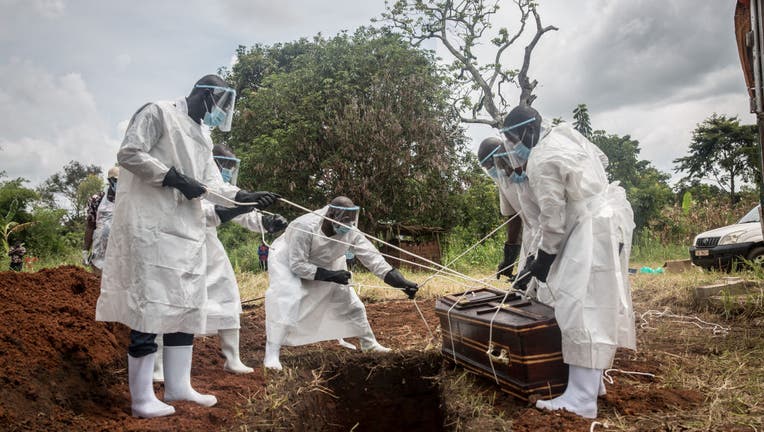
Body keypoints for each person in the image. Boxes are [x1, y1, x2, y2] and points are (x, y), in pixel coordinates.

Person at [95, 74, 280, 419]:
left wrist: (246, 197)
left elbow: (212, 183)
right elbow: (129, 153)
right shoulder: (158, 112)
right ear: (205, 94)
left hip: (187, 233)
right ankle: (142, 398)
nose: (221, 113)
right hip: (152, 230)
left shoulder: (202, 136)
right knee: (149, 308)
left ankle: (179, 385)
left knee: (185, 308)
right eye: (220, 104)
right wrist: (174, 178)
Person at [501, 104, 635, 419]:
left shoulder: (542, 158)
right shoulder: (563, 138)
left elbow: (553, 219)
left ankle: (581, 398)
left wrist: (543, 260)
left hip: (586, 232)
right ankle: (592, 384)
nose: (513, 146)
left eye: (514, 138)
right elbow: (597, 165)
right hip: (600, 225)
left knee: (578, 309)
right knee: (596, 304)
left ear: (529, 130)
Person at [152, 144, 289, 381]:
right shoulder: (192, 180)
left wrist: (266, 222)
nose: (227, 170)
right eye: (224, 165)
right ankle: (157, 366)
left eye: (230, 166)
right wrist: (237, 206)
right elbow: (208, 214)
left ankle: (232, 358)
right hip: (179, 245)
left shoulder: (223, 187)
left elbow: (242, 210)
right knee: (172, 304)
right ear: (211, 162)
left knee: (227, 293)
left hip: (209, 246)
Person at [263, 196, 419, 370]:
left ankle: (368, 343)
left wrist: (402, 283)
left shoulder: (350, 231)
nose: (348, 225)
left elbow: (373, 258)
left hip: (328, 263)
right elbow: (298, 265)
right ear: (330, 215)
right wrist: (331, 276)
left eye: (351, 221)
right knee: (288, 300)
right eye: (344, 220)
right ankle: (272, 353)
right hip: (288, 262)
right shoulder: (304, 226)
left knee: (353, 304)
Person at [477, 137, 524, 280]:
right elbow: (513, 217)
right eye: (487, 168)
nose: (490, 171)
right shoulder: (502, 181)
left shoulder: (527, 166)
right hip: (534, 237)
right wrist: (509, 259)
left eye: (489, 166)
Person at [84, 166, 120, 275]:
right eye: (116, 181)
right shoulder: (97, 199)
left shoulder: (127, 199)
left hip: (120, 254)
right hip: (99, 252)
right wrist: (85, 250)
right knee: (97, 285)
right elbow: (90, 226)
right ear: (110, 181)